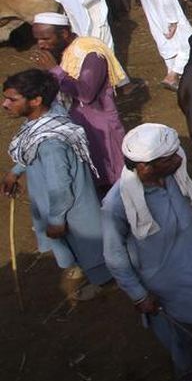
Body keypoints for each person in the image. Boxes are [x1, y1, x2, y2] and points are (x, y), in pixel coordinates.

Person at [102, 123, 192, 379]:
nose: (179, 158)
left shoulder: (173, 173)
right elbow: (114, 256)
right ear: (144, 167)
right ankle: (190, 379)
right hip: (166, 281)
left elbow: (188, 196)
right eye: (170, 158)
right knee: (179, 337)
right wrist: (139, 296)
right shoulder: (117, 204)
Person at [2, 69, 112, 299]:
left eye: (12, 99)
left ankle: (105, 282)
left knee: (87, 244)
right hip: (59, 204)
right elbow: (31, 149)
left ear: (35, 101)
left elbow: (60, 188)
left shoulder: (50, 143)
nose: (5, 104)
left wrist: (55, 220)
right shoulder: (49, 119)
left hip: (67, 208)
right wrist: (15, 172)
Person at [30, 12, 127, 189]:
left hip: (100, 129)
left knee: (114, 180)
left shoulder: (90, 54)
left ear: (64, 34)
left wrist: (54, 70)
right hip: (77, 126)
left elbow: (86, 94)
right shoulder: (63, 53)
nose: (40, 44)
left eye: (45, 38)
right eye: (37, 39)